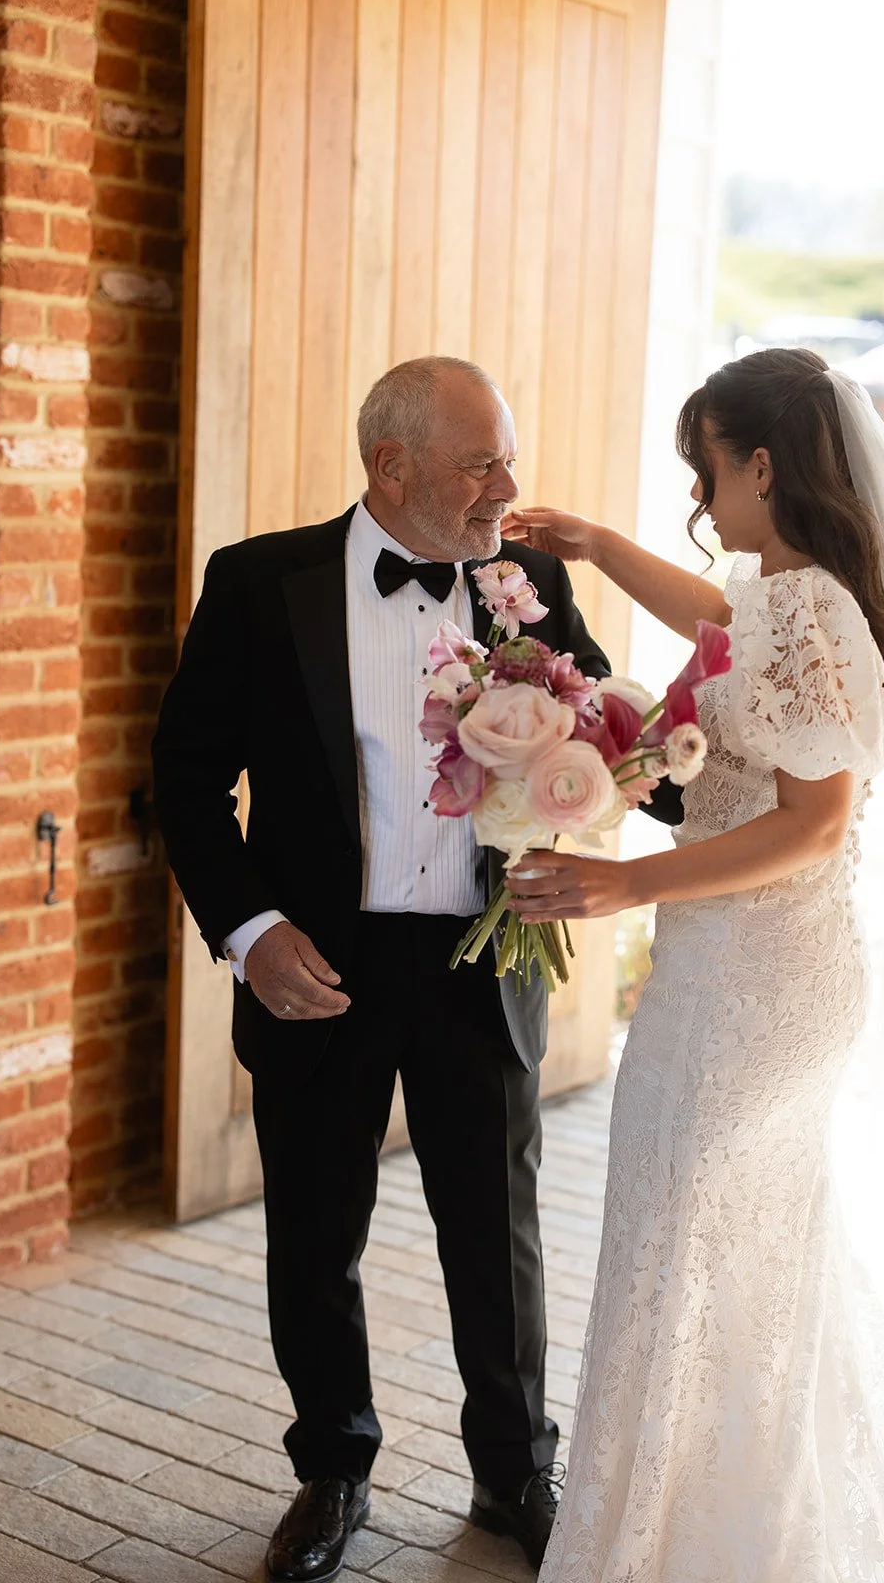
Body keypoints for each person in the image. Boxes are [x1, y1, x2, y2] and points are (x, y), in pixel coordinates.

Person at [500, 348, 884, 1581]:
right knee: (727, 1252)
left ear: (764, 467)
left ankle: (676, 1538)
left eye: (707, 466)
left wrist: (627, 884)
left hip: (750, 988)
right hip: (755, 972)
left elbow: (812, 821)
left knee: (682, 1243)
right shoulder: (800, 592)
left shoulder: (810, 607)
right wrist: (595, 543)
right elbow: (721, 620)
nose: (699, 493)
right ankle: (718, 1515)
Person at [153, 357, 629, 1582]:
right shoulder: (260, 584)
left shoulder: (530, 582)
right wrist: (251, 933)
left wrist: (684, 753)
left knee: (496, 1232)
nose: (506, 487)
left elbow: (605, 735)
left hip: (481, 959)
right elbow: (186, 785)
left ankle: (516, 1467)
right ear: (390, 466)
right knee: (315, 1230)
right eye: (482, 463)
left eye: (505, 458)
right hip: (322, 963)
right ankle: (332, 1467)